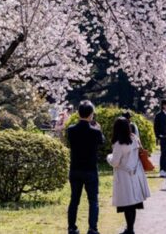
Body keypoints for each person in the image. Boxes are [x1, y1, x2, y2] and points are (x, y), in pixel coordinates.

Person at [107, 117, 151, 234]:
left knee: (127, 204)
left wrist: (108, 157)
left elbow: (115, 162)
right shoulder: (134, 139)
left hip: (124, 175)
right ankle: (130, 228)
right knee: (133, 203)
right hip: (136, 173)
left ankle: (130, 230)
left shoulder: (119, 144)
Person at [67, 100, 105, 234]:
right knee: (93, 200)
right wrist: (99, 129)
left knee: (74, 200)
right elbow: (102, 142)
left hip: (75, 168)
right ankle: (92, 228)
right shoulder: (95, 132)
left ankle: (72, 227)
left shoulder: (71, 130)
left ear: (78, 113)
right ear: (91, 114)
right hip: (90, 169)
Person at [154, 100, 166, 178]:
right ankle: (162, 170)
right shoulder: (159, 115)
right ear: (163, 105)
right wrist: (158, 136)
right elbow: (156, 126)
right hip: (163, 137)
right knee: (164, 153)